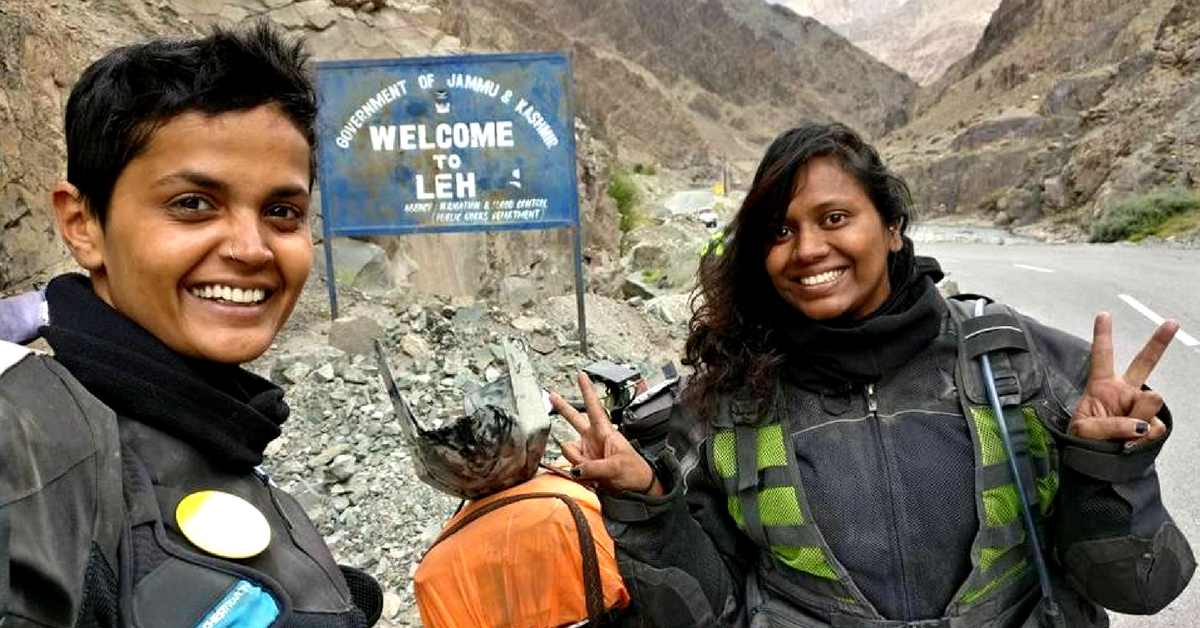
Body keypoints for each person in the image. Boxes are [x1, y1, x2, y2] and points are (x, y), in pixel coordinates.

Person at [549, 122, 1195, 628]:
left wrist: (1109, 466)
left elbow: (1140, 586)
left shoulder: (1013, 363)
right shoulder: (728, 404)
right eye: (781, 230)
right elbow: (707, 614)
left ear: (890, 228)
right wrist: (647, 509)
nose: (807, 250)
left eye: (834, 219)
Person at [0, 24, 382, 628]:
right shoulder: (27, 443)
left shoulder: (213, 427)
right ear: (83, 225)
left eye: (282, 212)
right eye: (193, 204)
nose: (252, 249)